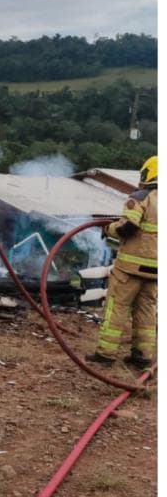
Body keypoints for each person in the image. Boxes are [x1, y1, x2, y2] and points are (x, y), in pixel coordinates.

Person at [87, 155, 157, 368]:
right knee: (146, 311)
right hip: (156, 270)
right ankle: (142, 356)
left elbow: (129, 227)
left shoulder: (141, 196)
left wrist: (109, 228)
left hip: (130, 268)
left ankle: (105, 354)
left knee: (116, 308)